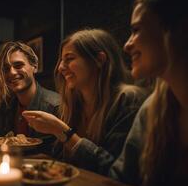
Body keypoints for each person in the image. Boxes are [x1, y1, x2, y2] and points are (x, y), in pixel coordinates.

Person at [23, 28, 146, 172]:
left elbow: (115, 171)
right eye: (61, 60)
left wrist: (63, 132)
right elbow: (60, 163)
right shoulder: (73, 103)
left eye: (69, 59)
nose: (61, 68)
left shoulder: (128, 100)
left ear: (99, 60)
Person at [108, 0, 188, 186]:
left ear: (178, 29)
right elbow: (118, 180)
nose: (127, 45)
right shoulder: (153, 108)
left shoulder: (130, 99)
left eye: (136, 30)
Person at [0, 41, 60, 153]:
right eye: (6, 69)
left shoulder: (55, 106)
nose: (12, 72)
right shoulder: (6, 106)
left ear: (35, 67)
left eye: (18, 65)